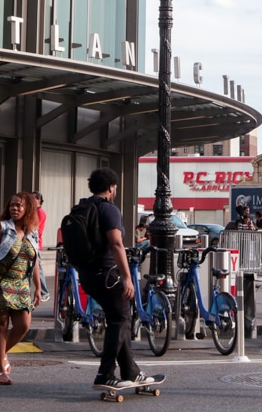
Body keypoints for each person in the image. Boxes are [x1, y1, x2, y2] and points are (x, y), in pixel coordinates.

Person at [75, 168, 158, 393]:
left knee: (117, 319)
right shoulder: (108, 209)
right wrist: (127, 277)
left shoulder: (81, 207)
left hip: (87, 274)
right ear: (112, 187)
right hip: (107, 274)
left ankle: (131, 372)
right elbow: (116, 244)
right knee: (120, 319)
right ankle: (105, 373)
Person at [0, 192, 41, 385]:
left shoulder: (32, 231)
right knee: (1, 326)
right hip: (0, 283)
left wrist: (38, 287)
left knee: (24, 325)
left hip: (21, 284)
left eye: (19, 206)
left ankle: (1, 354)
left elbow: (35, 260)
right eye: (12, 205)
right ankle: (0, 370)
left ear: (27, 208)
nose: (15, 208)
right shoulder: (2, 228)